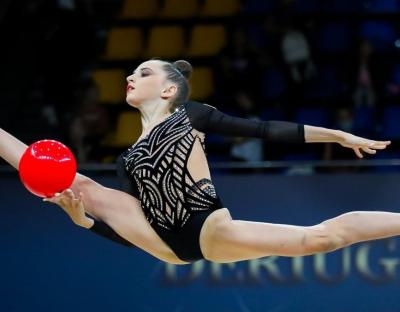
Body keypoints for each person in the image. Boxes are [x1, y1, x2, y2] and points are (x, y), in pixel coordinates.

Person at [0, 59, 393, 265]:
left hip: (207, 228)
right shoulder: (125, 160)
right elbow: (133, 231)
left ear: (169, 88)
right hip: (165, 245)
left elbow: (263, 129)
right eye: (134, 72)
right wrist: (84, 222)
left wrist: (336, 135)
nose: (131, 76)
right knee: (83, 188)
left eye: (144, 72)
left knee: (320, 238)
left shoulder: (190, 115)